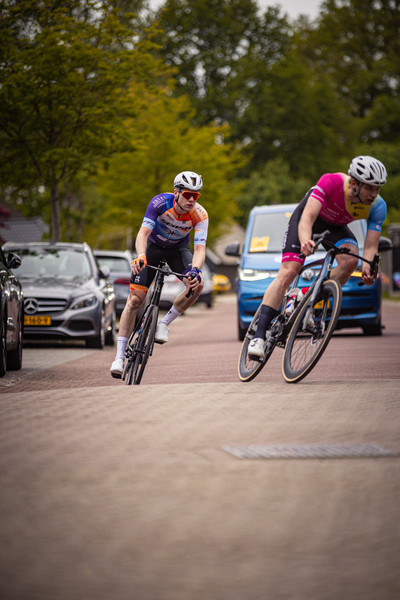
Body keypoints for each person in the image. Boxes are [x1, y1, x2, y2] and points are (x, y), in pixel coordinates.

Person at [248, 155, 388, 360]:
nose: (373, 194)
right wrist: (305, 240)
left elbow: (371, 246)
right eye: (369, 188)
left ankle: (305, 296)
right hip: (308, 220)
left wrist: (369, 269)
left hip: (336, 228)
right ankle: (258, 337)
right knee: (289, 271)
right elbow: (307, 217)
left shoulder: (378, 206)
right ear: (355, 183)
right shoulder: (331, 182)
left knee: (351, 261)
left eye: (377, 189)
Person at [110, 171, 208, 378]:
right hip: (152, 248)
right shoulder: (160, 203)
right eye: (188, 195)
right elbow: (143, 234)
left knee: (197, 285)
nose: (192, 200)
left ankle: (164, 323)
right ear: (176, 193)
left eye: (196, 196)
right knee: (135, 300)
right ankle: (119, 356)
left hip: (177, 251)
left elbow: (199, 250)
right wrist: (141, 256)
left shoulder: (200, 215)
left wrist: (195, 270)